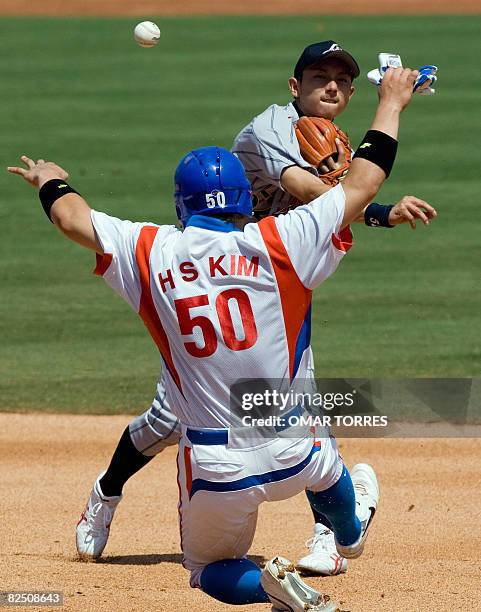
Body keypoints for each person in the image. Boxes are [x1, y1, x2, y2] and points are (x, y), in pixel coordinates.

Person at [9, 66, 428, 611]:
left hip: (216, 466)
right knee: (328, 465)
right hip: (296, 449)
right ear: (243, 198)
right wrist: (391, 102)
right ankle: (347, 533)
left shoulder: (151, 249)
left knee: (208, 569)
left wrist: (51, 179)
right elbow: (363, 182)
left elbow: (71, 218)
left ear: (181, 204)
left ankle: (277, 592)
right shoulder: (282, 239)